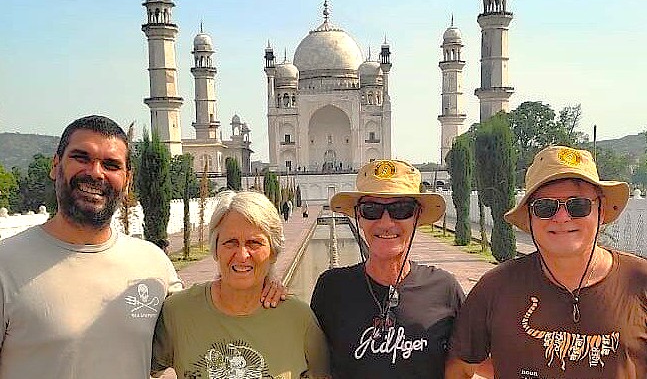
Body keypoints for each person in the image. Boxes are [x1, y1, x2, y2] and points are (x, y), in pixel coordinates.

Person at [0, 115, 183, 379]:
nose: (96, 172)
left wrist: (264, 279)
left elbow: (203, 319)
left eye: (110, 164)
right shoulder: (7, 264)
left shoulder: (152, 263)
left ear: (127, 178)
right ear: (55, 165)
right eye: (81, 157)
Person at [446, 145, 647, 378]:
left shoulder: (639, 281)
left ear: (600, 211)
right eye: (545, 207)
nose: (562, 218)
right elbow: (460, 366)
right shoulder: (496, 287)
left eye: (578, 205)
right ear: (530, 216)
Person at [311, 159, 465, 378]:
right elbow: (301, 353)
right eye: (371, 210)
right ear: (358, 217)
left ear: (417, 216)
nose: (385, 223)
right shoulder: (333, 288)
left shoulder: (443, 288)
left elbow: (476, 358)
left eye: (401, 210)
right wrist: (266, 286)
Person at [152, 190, 330, 378]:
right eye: (231, 242)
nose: (242, 255)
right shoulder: (178, 313)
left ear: (273, 252)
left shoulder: (298, 319)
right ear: (215, 249)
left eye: (254, 243)